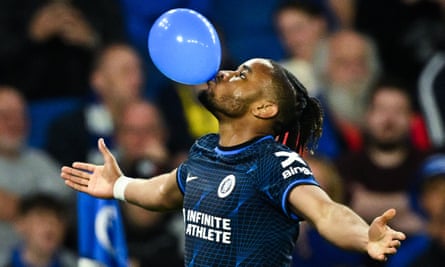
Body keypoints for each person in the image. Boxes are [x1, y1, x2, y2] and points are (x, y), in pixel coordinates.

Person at [61, 58, 406, 266]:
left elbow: (325, 211)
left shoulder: (274, 161)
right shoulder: (205, 150)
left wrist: (364, 236)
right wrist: (119, 185)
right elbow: (163, 191)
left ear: (264, 109)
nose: (224, 72)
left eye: (242, 75)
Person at [335, 78, 428, 240]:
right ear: (367, 116)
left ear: (413, 119)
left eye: (399, 111)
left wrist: (368, 208)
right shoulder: (343, 167)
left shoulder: (427, 165)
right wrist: (413, 203)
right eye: (381, 110)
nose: (389, 119)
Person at [0, 86, 74, 266]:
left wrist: (17, 208)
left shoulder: (40, 161)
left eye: (20, 116)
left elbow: (61, 205)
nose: (15, 123)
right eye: (5, 116)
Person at [0, 0, 127, 100]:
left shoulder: (100, 4)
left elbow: (122, 51)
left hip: (88, 99)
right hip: (24, 99)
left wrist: (92, 40)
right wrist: (32, 35)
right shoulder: (13, 5)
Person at [45, 42, 144, 167]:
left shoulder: (154, 122)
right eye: (126, 72)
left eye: (139, 70)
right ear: (98, 80)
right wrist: (130, 163)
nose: (138, 80)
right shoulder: (68, 130)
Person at [114, 100, 184, 266]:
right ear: (118, 137)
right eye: (132, 131)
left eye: (149, 130)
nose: (140, 139)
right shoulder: (104, 177)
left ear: (164, 134)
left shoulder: (185, 176)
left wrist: (164, 169)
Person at [5, 193, 77, 267]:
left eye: (57, 220)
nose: (49, 227)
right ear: (21, 224)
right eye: (42, 219)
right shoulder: (4, 261)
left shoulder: (79, 263)